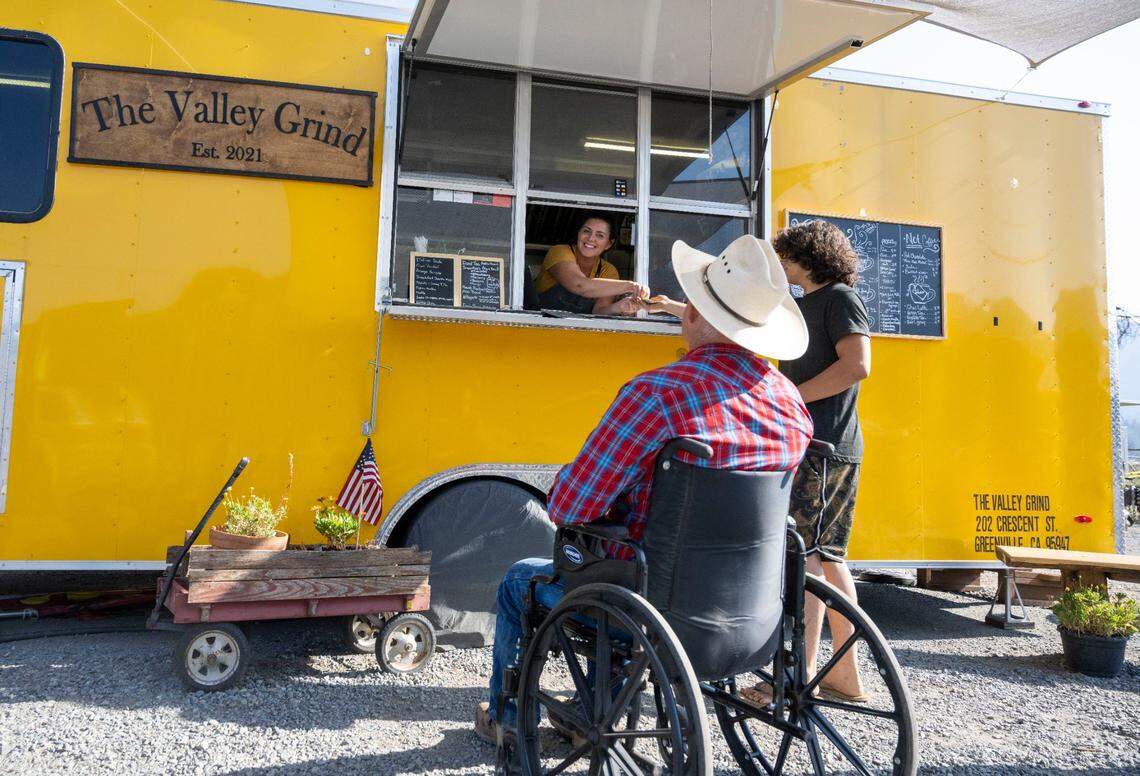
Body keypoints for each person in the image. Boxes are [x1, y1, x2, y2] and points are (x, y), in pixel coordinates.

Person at [474, 234, 814, 743]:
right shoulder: (790, 404)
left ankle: (504, 719)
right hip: (755, 608)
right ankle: (599, 706)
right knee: (621, 560)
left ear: (695, 313)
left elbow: (572, 504)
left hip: (652, 603)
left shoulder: (658, 393)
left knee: (527, 578)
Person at [756, 219, 872, 704]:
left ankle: (803, 672)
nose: (781, 264)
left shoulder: (840, 298)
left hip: (827, 447)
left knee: (811, 558)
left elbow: (858, 365)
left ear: (809, 255)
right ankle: (842, 675)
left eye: (785, 256)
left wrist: (793, 398)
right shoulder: (807, 303)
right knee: (825, 557)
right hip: (817, 445)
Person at [532, 213, 647, 315]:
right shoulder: (559, 251)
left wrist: (619, 307)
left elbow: (598, 311)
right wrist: (631, 286)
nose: (591, 239)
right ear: (578, 233)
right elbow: (579, 285)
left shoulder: (608, 270)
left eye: (600, 235)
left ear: (609, 244)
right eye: (586, 231)